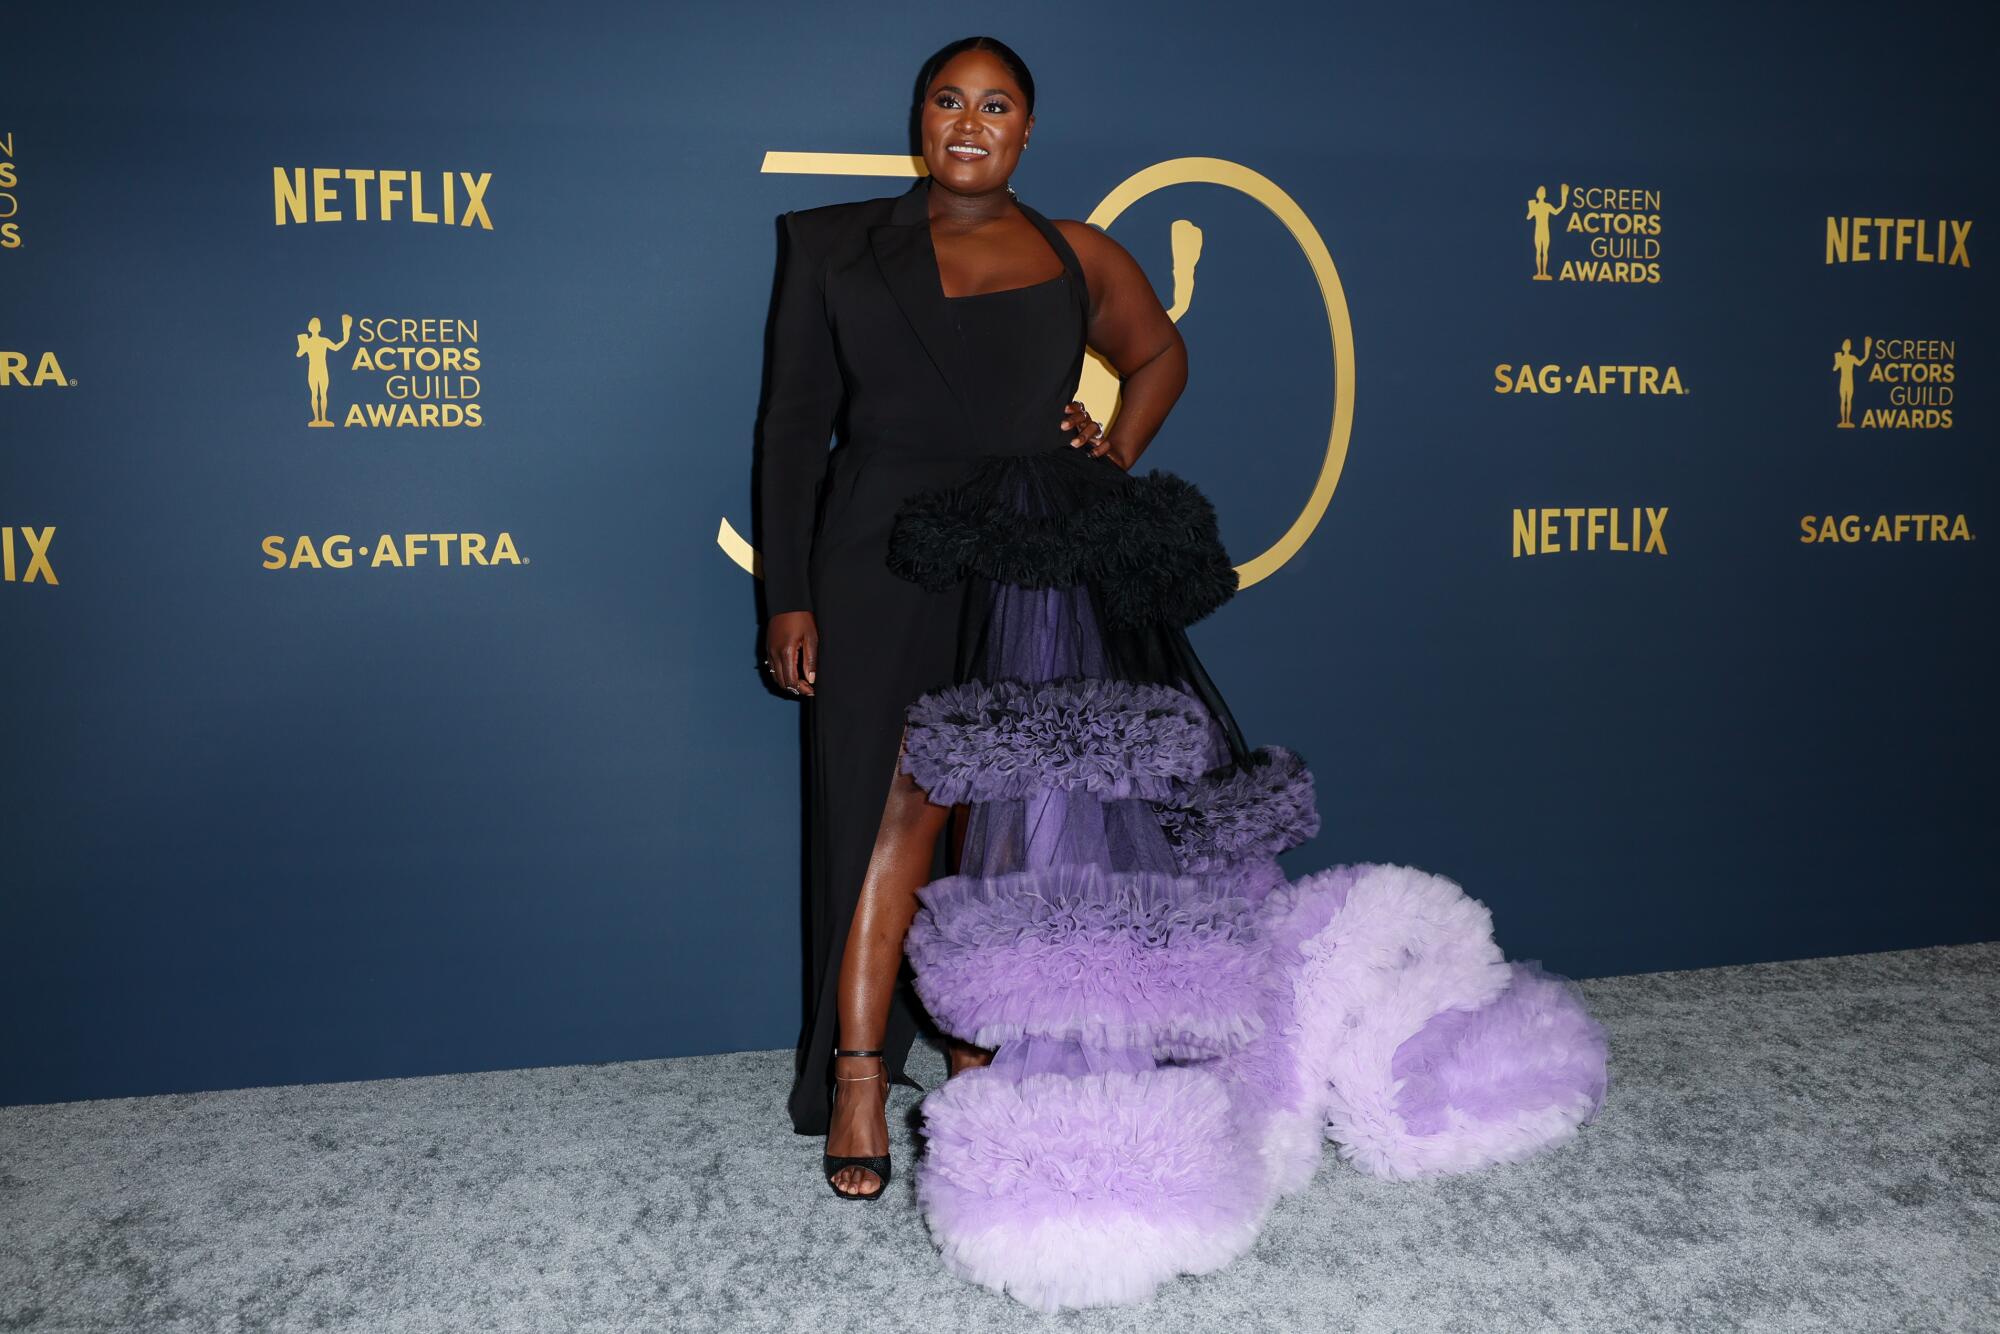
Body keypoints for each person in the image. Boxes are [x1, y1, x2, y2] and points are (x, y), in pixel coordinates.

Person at [756, 35, 1198, 1199]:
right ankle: (857, 1073)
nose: (968, 121)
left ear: (1026, 129)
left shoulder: (1076, 252)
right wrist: (787, 592)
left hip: (1036, 558)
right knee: (894, 807)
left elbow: (1156, 352)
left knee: (1006, 823)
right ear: (919, 119)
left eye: (994, 105)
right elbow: (794, 430)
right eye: (947, 100)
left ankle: (974, 1043)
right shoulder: (832, 245)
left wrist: (1115, 448)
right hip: (879, 558)